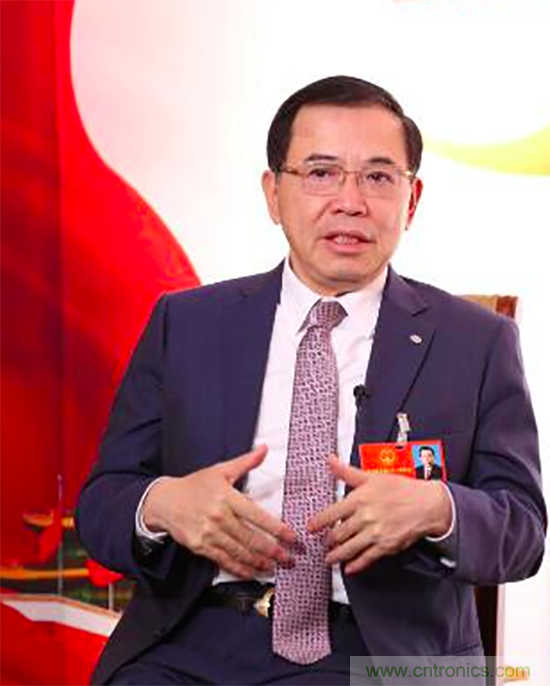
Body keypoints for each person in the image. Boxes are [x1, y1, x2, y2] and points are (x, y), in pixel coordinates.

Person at [76, 75, 546, 685]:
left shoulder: (475, 342)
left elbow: (523, 534)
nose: (350, 202)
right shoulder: (186, 323)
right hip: (191, 639)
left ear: (412, 200)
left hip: (379, 655)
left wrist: (439, 508)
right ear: (274, 193)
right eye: (321, 173)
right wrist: (162, 504)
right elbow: (103, 506)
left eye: (378, 177)